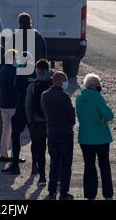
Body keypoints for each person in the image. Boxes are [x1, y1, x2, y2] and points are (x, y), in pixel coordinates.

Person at [76, 73, 114, 200]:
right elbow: (108, 114)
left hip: (85, 137)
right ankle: (108, 194)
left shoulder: (79, 98)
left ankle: (90, 195)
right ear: (94, 86)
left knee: (89, 166)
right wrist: (103, 118)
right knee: (104, 166)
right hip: (101, 137)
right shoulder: (97, 96)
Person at [41, 71, 75, 200]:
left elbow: (44, 112)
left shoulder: (44, 95)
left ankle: (51, 192)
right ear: (60, 82)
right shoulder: (64, 97)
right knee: (66, 164)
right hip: (65, 133)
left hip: (52, 132)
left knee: (54, 163)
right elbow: (72, 118)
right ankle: (64, 192)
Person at [25, 59, 53, 187]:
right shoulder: (54, 82)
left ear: (39, 69)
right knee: (54, 151)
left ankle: (41, 175)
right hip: (53, 123)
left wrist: (30, 121)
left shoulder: (33, 85)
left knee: (39, 148)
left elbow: (28, 105)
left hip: (37, 121)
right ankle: (56, 176)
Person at [0, 49, 18, 163]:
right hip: (13, 104)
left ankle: (4, 154)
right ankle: (14, 155)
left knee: (6, 130)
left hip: (4, 103)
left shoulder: (2, 70)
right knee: (14, 132)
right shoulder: (15, 71)